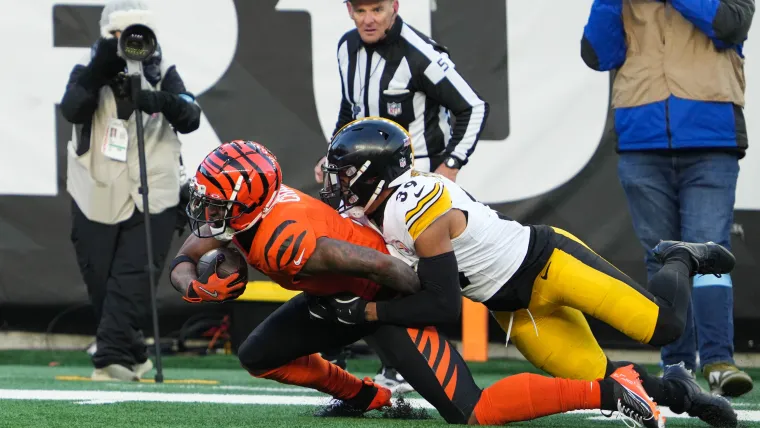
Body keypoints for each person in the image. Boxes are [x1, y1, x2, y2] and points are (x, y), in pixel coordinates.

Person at [169, 140, 667, 427]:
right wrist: (196, 287)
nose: (205, 211)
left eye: (214, 203)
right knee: (258, 355)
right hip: (337, 298)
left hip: (382, 297)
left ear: (246, 203)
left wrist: (382, 311)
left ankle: (609, 390)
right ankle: (367, 397)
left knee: (472, 411)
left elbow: (389, 270)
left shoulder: (285, 239)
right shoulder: (245, 218)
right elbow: (185, 258)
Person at [319, 117, 738, 428]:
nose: (339, 184)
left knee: (665, 327)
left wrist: (368, 314)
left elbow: (444, 305)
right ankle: (682, 393)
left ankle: (680, 256)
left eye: (348, 175)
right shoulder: (378, 209)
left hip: (549, 264)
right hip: (514, 309)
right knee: (599, 378)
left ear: (377, 175)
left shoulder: (413, 204)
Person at [579, 0, 755, 397]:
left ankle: (718, 361)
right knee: (662, 256)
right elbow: (598, 55)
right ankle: (677, 365)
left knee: (708, 251)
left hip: (711, 140)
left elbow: (730, 25)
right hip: (641, 141)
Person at [314, 0, 489, 389]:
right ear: (348, 9)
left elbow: (474, 107)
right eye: (360, 10)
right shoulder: (346, 47)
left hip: (412, 182)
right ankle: (340, 353)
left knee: (407, 272)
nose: (368, 19)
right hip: (363, 183)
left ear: (394, 6)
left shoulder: (419, 52)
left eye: (377, 8)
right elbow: (350, 109)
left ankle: (406, 364)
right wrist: (333, 156)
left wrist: (450, 165)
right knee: (350, 258)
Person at [60, 0, 201, 381]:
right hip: (96, 189)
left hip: (154, 188)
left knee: (135, 274)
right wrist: (100, 69)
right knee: (100, 279)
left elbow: (191, 115)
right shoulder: (88, 68)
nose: (130, 43)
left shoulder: (163, 70)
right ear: (108, 36)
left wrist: (157, 99)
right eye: (121, 35)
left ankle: (110, 357)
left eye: (138, 34)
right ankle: (135, 352)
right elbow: (73, 109)